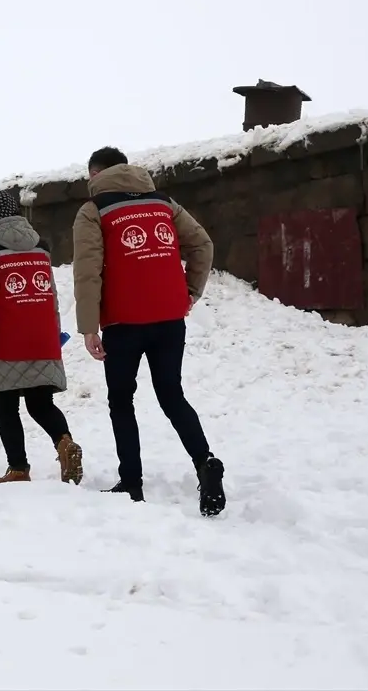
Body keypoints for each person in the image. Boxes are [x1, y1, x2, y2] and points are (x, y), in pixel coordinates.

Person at [71, 146, 226, 517]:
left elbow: (87, 270)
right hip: (170, 318)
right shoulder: (164, 203)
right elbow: (202, 244)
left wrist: (88, 326)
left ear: (95, 175)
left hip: (124, 323)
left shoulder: (93, 210)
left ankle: (132, 483)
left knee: (122, 401)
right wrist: (190, 292)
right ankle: (205, 462)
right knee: (172, 394)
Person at [0, 189, 84, 485]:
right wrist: (53, 332)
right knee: (40, 403)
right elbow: (49, 293)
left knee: (6, 407)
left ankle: (18, 468)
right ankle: (64, 443)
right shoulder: (40, 246)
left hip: (5, 338)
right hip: (41, 335)